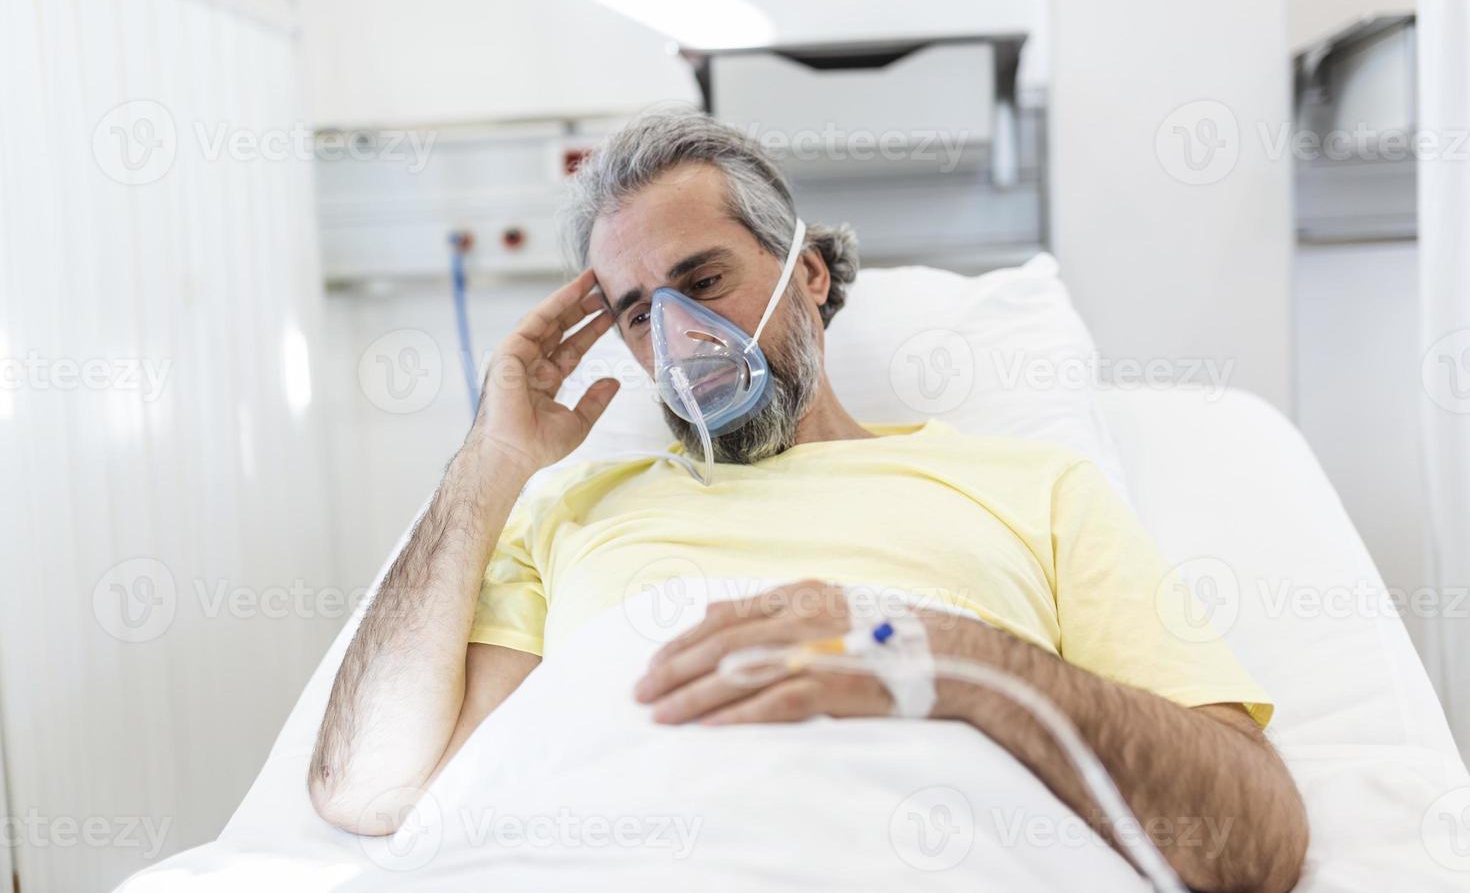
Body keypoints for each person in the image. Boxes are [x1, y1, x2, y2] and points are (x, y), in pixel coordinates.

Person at [308, 110, 1308, 892]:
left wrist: (943, 652)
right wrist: (485, 465)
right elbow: (368, 789)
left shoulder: (1033, 489)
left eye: (705, 279)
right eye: (639, 311)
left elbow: (1252, 837)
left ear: (810, 275)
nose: (681, 333)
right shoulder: (564, 510)